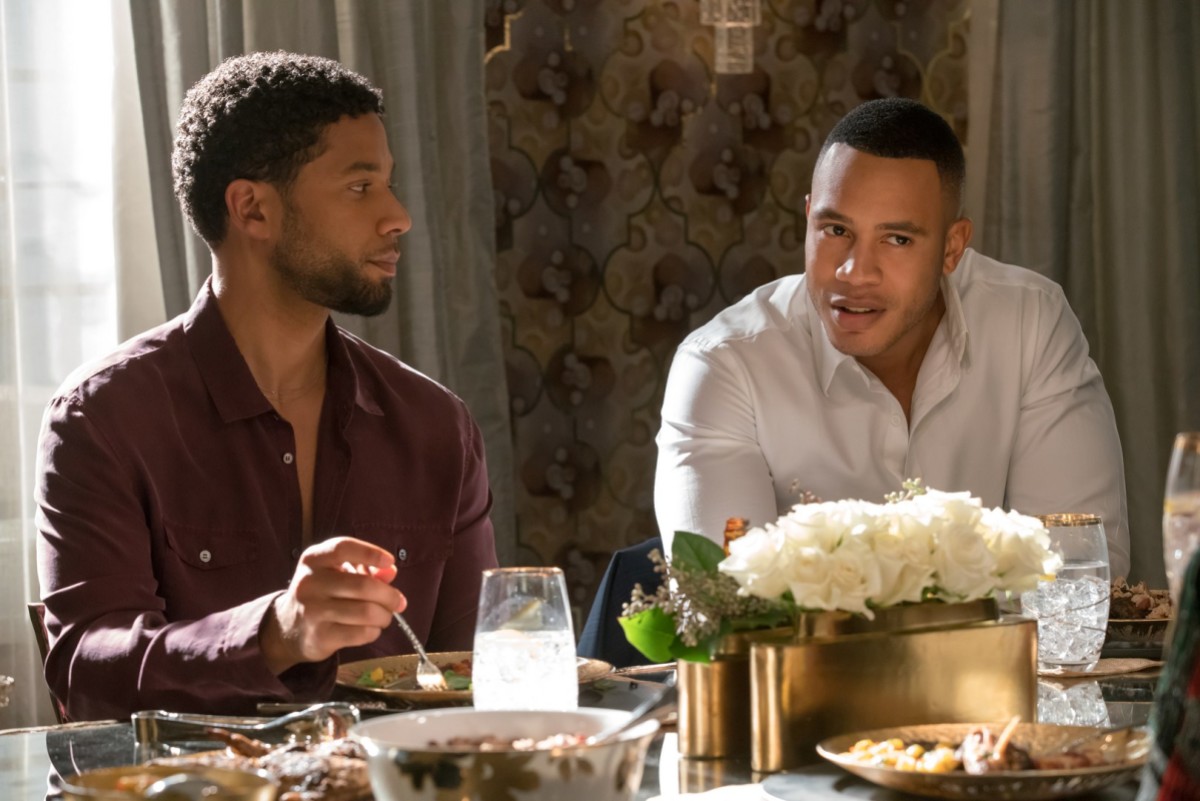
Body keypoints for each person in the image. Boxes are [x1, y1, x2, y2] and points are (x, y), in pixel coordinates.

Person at [35, 51, 498, 720]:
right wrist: (275, 632)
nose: (397, 216)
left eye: (388, 184)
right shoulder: (103, 419)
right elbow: (87, 670)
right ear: (252, 209)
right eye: (360, 187)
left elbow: (475, 677)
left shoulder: (435, 425)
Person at [654, 97, 1130, 576]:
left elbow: (1079, 568)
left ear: (952, 248)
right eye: (835, 229)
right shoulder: (723, 365)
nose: (854, 272)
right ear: (808, 218)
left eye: (897, 239)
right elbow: (721, 601)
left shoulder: (1030, 322)